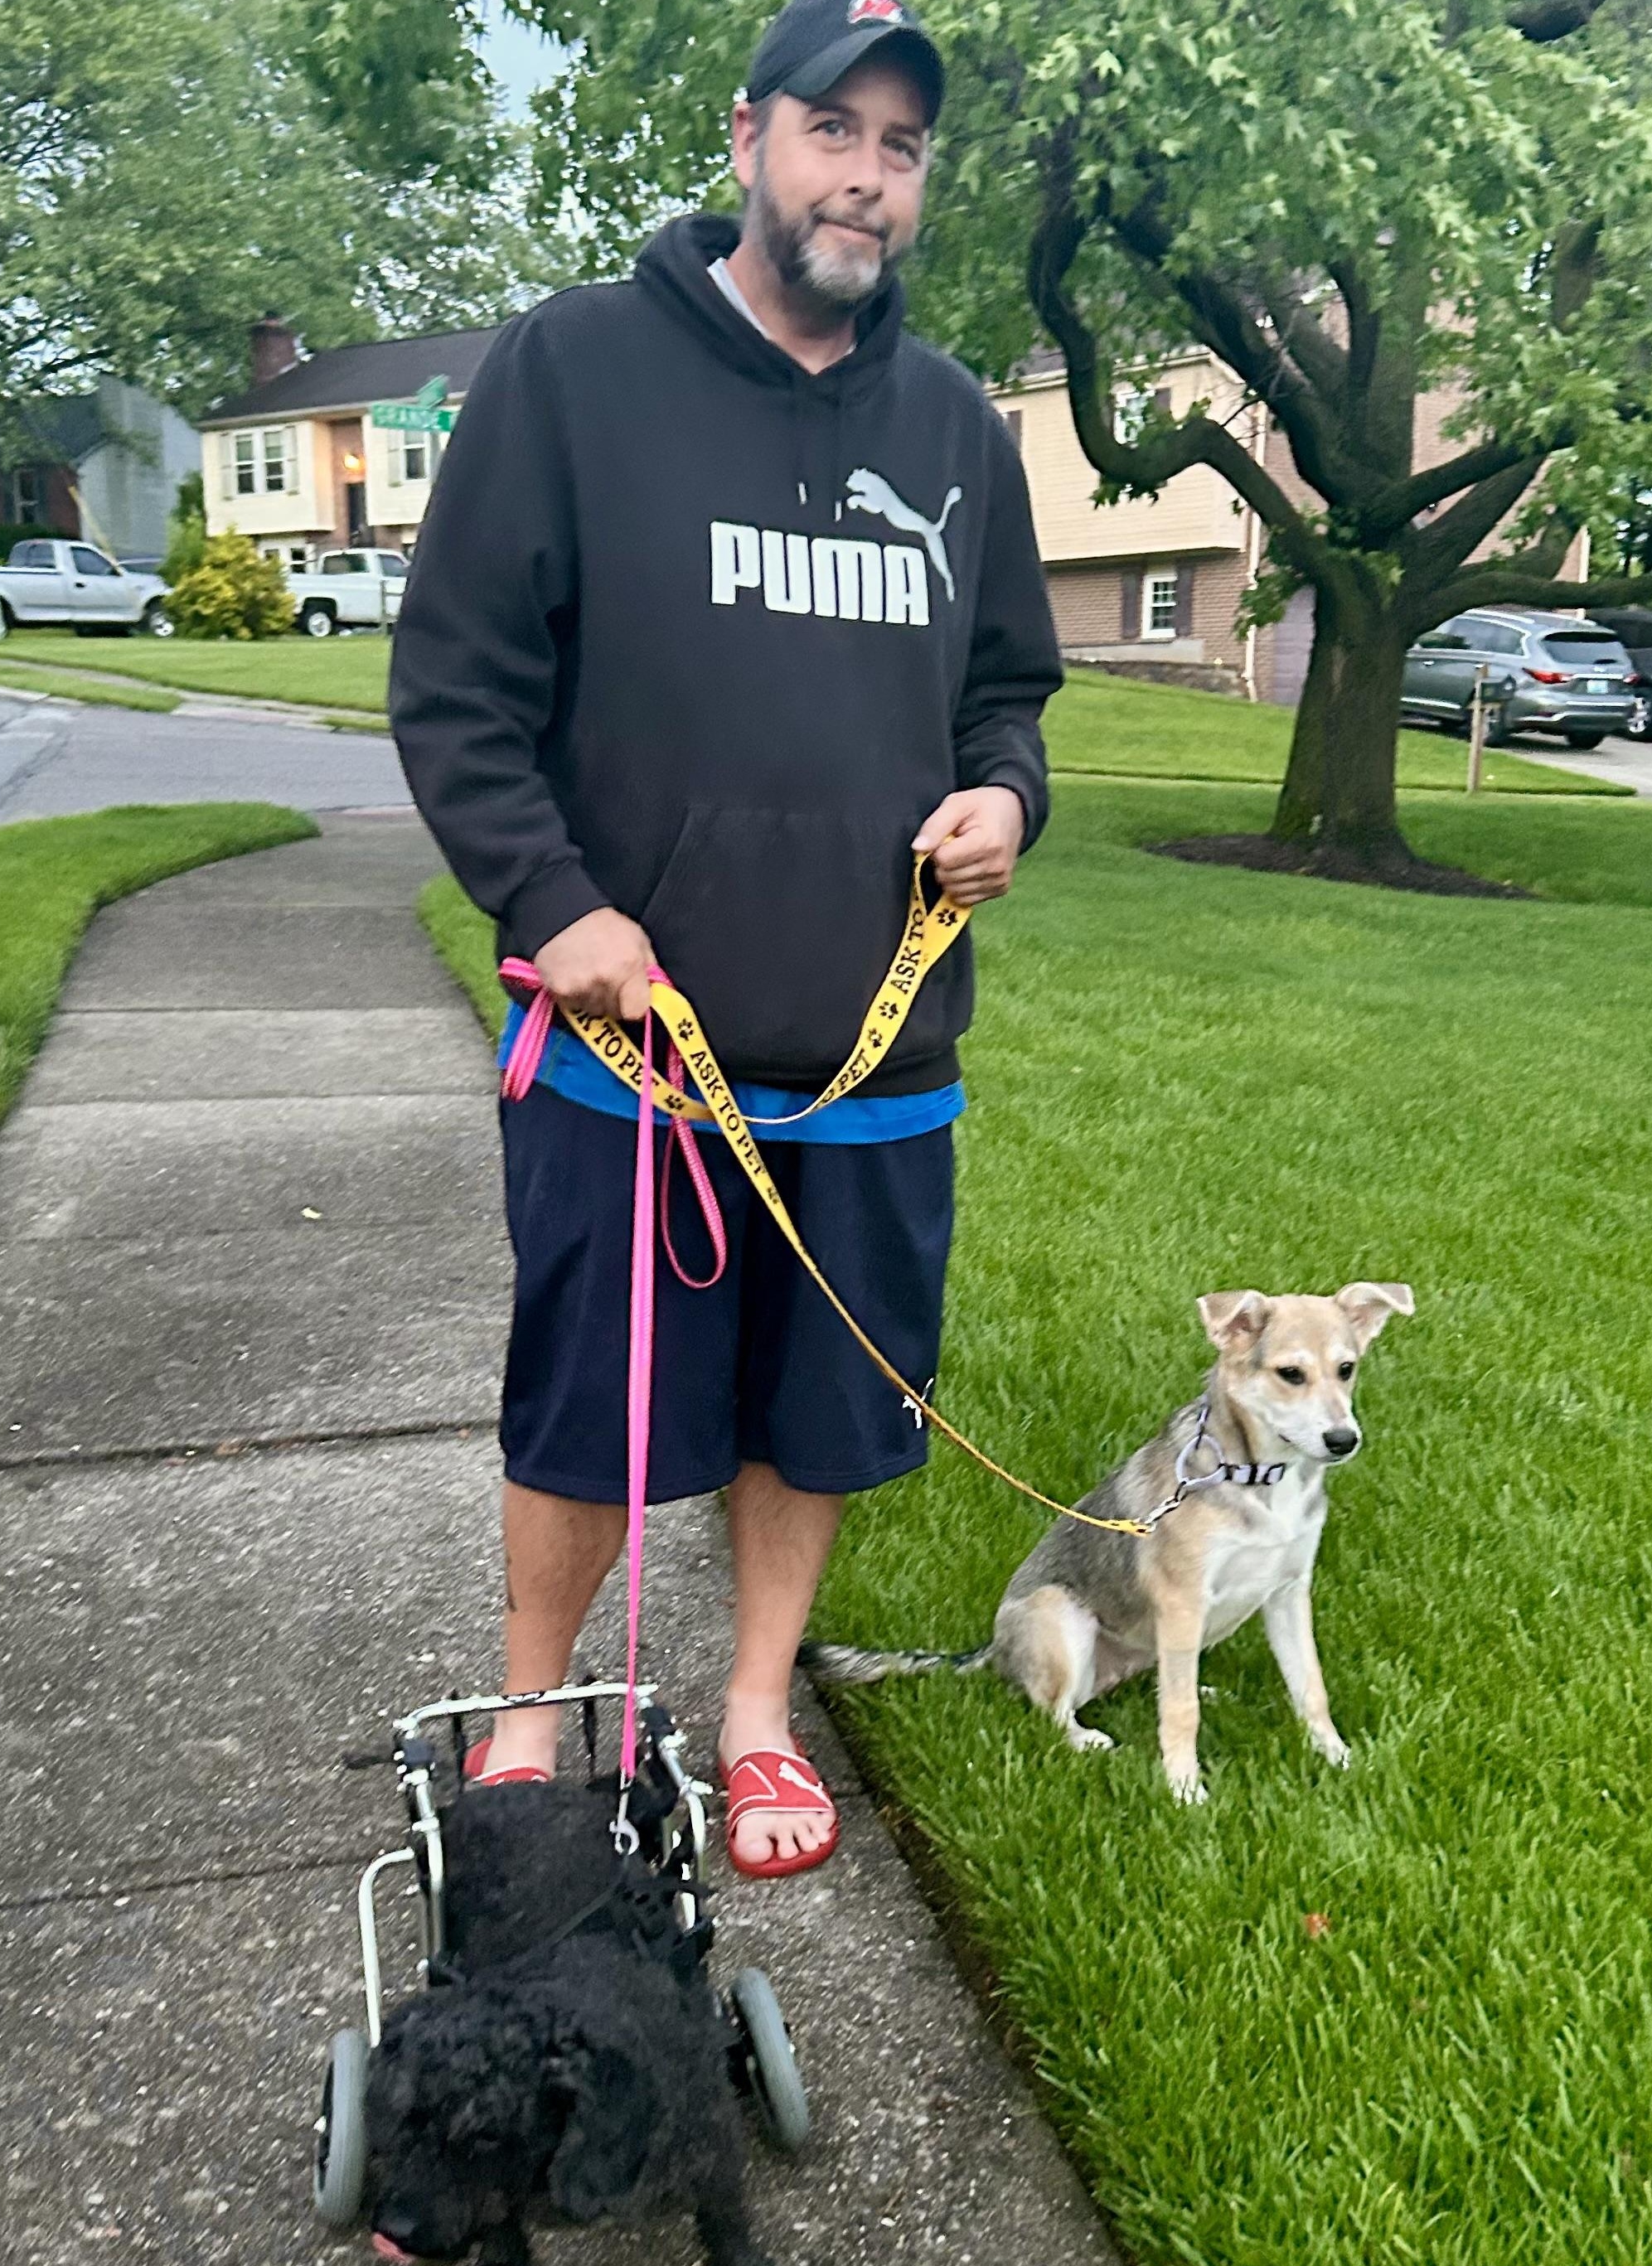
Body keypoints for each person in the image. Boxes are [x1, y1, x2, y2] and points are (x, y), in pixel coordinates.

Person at [391, 0, 1060, 1880]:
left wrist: (1005, 800)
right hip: (628, 1048)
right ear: (752, 137)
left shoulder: (952, 431)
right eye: (836, 130)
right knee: (586, 1412)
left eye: (905, 146)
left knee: (819, 1415)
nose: (868, 173)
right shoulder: (576, 371)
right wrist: (556, 904)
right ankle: (536, 1709)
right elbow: (456, 691)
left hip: (875, 1050)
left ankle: (760, 1713)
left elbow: (1009, 691)